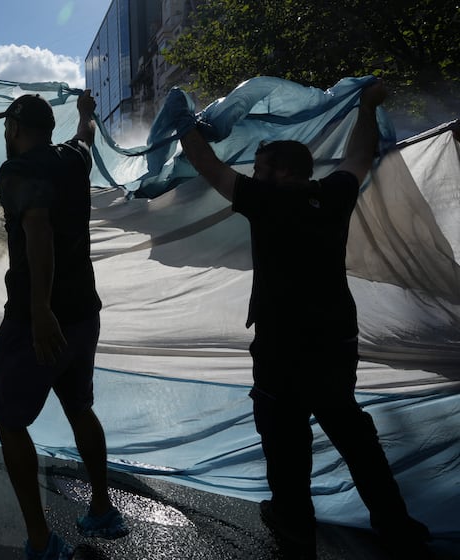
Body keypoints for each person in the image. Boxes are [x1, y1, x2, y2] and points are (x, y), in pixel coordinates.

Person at [174, 79, 430, 556]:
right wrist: (367, 108)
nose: (255, 171)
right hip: (335, 338)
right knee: (352, 431)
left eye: (262, 166)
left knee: (284, 436)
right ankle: (396, 526)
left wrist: (183, 124)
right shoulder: (332, 195)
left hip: (282, 346)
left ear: (281, 172)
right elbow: (359, 156)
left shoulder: (267, 201)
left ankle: (293, 524)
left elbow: (207, 166)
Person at [0, 91, 129, 560]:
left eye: (7, 127)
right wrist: (86, 114)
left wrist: (41, 309)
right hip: (84, 313)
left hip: (38, 320)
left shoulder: (17, 171)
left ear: (16, 127)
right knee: (80, 407)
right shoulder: (72, 159)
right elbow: (86, 138)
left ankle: (41, 541)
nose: (5, 135)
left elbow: (38, 230)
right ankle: (103, 507)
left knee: (9, 422)